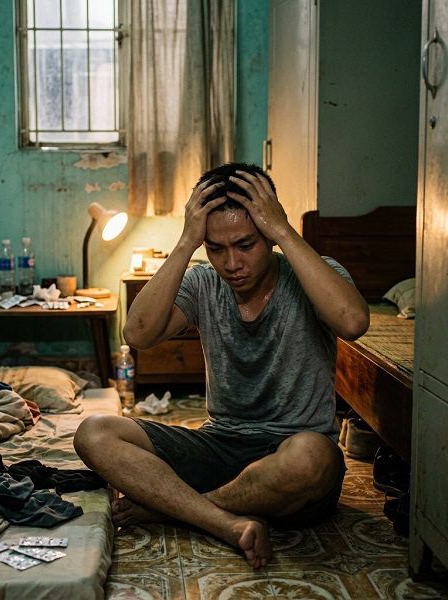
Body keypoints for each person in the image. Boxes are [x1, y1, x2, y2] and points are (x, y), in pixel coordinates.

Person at [74, 162, 369, 568]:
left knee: (312, 459)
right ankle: (223, 520)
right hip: (219, 445)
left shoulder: (314, 274)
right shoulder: (203, 282)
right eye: (216, 249)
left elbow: (353, 322)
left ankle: (174, 509)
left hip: (291, 455)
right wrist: (185, 243)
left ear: (269, 233)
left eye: (246, 245)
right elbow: (138, 334)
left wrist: (284, 230)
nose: (232, 263)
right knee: (94, 432)